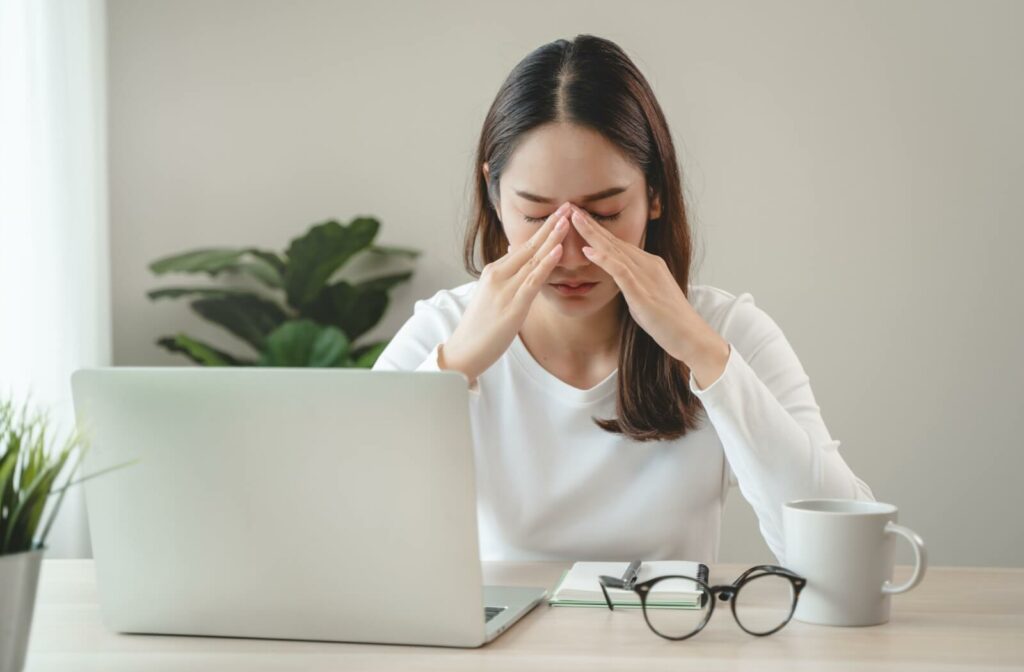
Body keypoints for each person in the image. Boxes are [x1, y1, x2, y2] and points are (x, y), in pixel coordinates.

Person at [372, 34, 874, 563]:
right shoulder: (444, 330)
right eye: (538, 217)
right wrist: (454, 369)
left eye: (605, 215)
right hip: (503, 647)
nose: (570, 254)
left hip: (670, 643)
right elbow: (347, 526)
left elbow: (849, 558)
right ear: (495, 197)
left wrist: (704, 356)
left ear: (654, 194)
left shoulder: (728, 331)